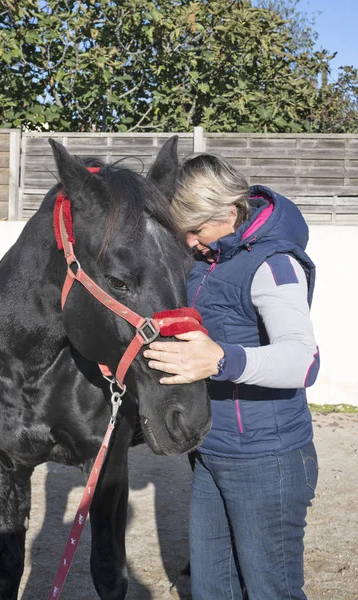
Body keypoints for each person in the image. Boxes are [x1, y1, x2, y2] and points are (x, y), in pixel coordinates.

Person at [143, 154, 319, 600]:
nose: (189, 241)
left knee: (267, 590)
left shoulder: (274, 266)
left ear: (227, 212)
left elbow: (304, 361)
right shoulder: (211, 259)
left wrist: (221, 360)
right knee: (210, 587)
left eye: (196, 229)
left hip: (267, 459)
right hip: (211, 452)